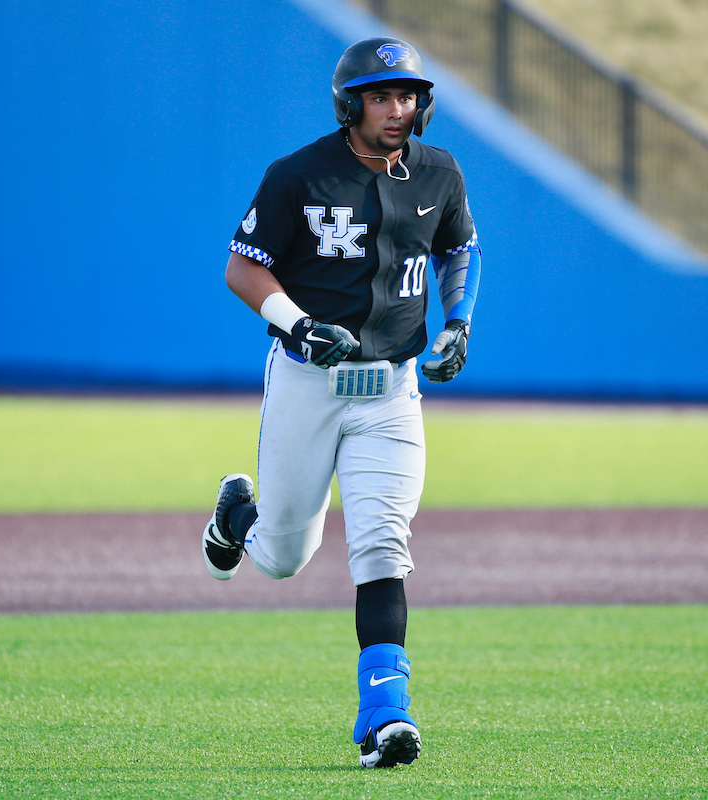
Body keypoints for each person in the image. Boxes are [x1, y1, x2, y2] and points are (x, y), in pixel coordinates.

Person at [201, 36, 481, 769]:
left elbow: (460, 250)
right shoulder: (297, 175)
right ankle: (239, 516)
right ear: (349, 103)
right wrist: (296, 321)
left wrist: (458, 324)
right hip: (307, 382)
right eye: (382, 95)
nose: (398, 108)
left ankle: (385, 718)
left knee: (382, 544)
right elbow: (242, 267)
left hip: (392, 388)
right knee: (285, 557)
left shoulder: (439, 172)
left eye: (408, 95)